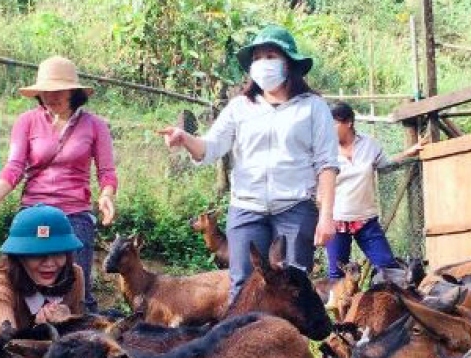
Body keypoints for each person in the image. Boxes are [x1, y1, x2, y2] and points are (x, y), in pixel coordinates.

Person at [158, 25, 338, 300]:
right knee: (242, 287)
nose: (262, 64)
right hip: (246, 209)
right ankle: (243, 342)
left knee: (292, 288)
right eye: (257, 58)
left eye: (270, 56)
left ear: (288, 63)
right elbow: (211, 146)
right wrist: (185, 139)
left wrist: (326, 216)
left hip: (295, 209)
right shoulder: (240, 107)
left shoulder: (312, 107)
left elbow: (327, 163)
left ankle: (288, 342)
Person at [0, 56, 117, 313]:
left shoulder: (95, 125)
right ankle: (20, 339)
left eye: (58, 90)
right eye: (46, 91)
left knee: (75, 284)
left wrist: (107, 196)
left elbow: (107, 172)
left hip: (74, 213)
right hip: (33, 212)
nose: (51, 96)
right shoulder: (27, 121)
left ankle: (76, 341)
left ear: (74, 91)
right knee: (20, 280)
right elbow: (15, 166)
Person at [326, 101, 424, 281]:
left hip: (365, 220)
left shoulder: (369, 145)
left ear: (348, 123)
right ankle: (339, 309)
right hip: (336, 221)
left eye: (332, 123)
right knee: (336, 275)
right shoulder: (325, 150)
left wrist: (408, 153)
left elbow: (385, 164)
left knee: (388, 268)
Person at [0, 204, 85, 336]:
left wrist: (70, 322)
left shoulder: (73, 276)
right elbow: (7, 348)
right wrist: (39, 332)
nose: (50, 263)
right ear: (18, 257)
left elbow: (81, 335)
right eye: (37, 254)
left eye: (58, 253)